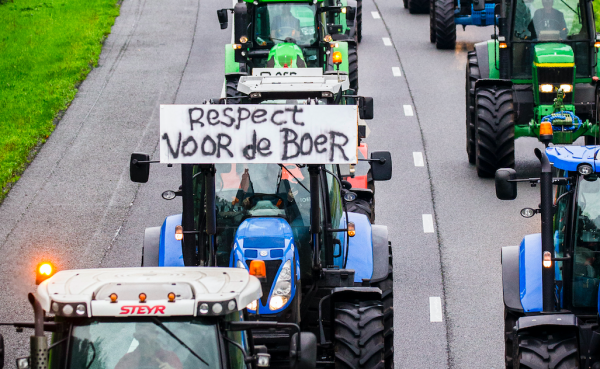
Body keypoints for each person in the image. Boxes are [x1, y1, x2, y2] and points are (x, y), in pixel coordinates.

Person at [115, 324, 182, 369]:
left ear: (156, 334)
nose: (146, 340)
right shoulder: (127, 361)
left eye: (147, 334)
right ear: (136, 336)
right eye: (142, 335)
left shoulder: (170, 357)